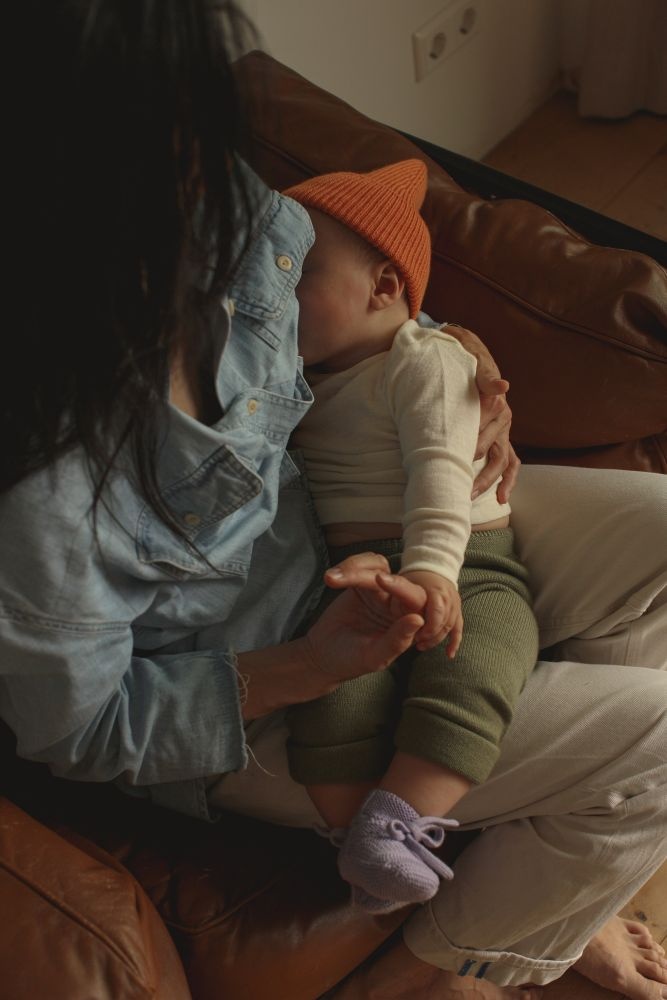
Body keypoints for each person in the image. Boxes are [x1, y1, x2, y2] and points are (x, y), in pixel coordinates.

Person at [2, 3, 666, 1000]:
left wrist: (447, 355)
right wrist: (307, 667)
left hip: (360, 520)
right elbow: (81, 729)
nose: (205, 168)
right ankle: (424, 977)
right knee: (659, 736)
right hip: (258, 673)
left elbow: (354, 298)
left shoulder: (216, 202)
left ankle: (549, 837)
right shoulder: (44, 470)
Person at [280, 159, 539, 914]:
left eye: (298, 276)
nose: (272, 296)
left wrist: (431, 572)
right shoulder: (290, 383)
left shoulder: (424, 361)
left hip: (466, 561)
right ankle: (360, 842)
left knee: (478, 664)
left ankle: (400, 823)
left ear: (385, 287)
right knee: (333, 700)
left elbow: (437, 471)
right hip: (353, 570)